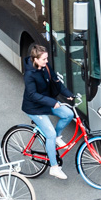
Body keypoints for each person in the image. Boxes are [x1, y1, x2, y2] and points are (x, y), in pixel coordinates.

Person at [22, 44, 74, 179]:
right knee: (49, 134)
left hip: (47, 102)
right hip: (34, 108)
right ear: (35, 59)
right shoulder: (29, 75)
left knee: (68, 114)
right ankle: (54, 167)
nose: (46, 61)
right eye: (44, 59)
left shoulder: (46, 67)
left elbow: (56, 82)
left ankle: (56, 138)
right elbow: (33, 95)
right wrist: (53, 102)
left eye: (47, 59)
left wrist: (68, 94)